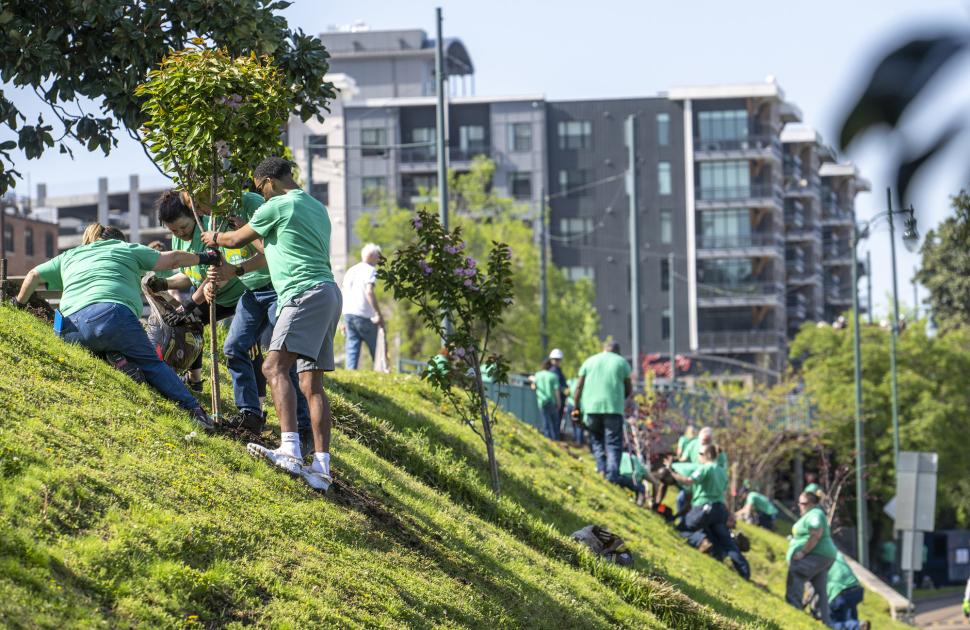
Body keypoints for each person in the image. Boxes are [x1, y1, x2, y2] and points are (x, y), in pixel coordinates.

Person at [202, 157, 342, 492]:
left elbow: (234, 240)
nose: (260, 195)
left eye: (259, 188)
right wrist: (240, 255)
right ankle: (321, 469)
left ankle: (290, 450)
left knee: (272, 367)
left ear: (267, 182)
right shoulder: (315, 206)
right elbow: (273, 250)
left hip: (302, 294)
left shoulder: (276, 204)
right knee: (311, 384)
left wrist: (215, 236)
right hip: (328, 293)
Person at [13, 223, 216, 430]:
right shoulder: (125, 248)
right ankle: (195, 411)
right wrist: (206, 257)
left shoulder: (69, 255)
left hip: (70, 329)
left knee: (96, 338)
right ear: (118, 239)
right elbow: (172, 258)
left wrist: (18, 304)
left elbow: (33, 275)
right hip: (114, 317)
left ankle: (118, 361)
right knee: (153, 365)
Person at [155, 190, 310, 434]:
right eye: (174, 231)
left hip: (255, 291)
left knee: (278, 357)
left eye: (183, 228)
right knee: (233, 346)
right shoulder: (189, 235)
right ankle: (249, 413)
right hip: (247, 291)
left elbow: (223, 270)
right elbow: (195, 274)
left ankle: (300, 428)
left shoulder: (222, 221)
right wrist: (165, 285)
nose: (181, 234)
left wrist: (191, 303)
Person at [671, 443, 750, 579]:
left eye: (700, 454)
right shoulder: (722, 471)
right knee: (726, 541)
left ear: (706, 455)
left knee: (682, 528)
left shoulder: (705, 468)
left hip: (704, 507)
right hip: (719, 510)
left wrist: (672, 474)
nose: (698, 457)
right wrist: (729, 513)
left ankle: (701, 541)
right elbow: (724, 494)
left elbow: (689, 481)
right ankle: (744, 572)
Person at [572, 341, 636, 492]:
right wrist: (621, 398)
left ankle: (601, 469)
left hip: (591, 408)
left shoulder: (589, 361)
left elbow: (579, 386)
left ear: (603, 349)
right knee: (613, 443)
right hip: (613, 408)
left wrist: (576, 406)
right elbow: (628, 388)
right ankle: (612, 475)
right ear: (618, 351)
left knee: (596, 440)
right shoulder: (622, 362)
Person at [786, 491, 838, 625]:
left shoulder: (815, 514)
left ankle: (794, 606)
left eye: (803, 503)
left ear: (813, 504)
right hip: (824, 555)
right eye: (799, 503)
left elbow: (816, 532)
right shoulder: (812, 514)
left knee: (796, 572)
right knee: (819, 587)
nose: (800, 506)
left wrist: (803, 552)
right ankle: (824, 620)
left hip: (818, 554)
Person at [340, 243, 385, 369]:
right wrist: (378, 313)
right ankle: (380, 373)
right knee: (376, 348)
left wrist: (342, 319)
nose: (378, 259)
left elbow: (344, 293)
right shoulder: (370, 270)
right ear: (371, 255)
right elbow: (369, 291)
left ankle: (350, 376)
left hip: (349, 313)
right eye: (378, 256)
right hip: (364, 314)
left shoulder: (351, 270)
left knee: (352, 348)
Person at [828, 552, 864, 630]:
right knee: (850, 618)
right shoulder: (838, 555)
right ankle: (858, 626)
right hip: (856, 589)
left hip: (840, 593)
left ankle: (856, 626)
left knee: (831, 623)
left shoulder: (818, 559)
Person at [532, 359, 562, 441]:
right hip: (552, 401)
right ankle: (556, 439)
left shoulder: (537, 375)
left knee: (545, 421)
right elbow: (556, 391)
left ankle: (547, 439)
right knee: (555, 422)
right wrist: (559, 402)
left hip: (542, 401)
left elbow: (533, 387)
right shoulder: (553, 376)